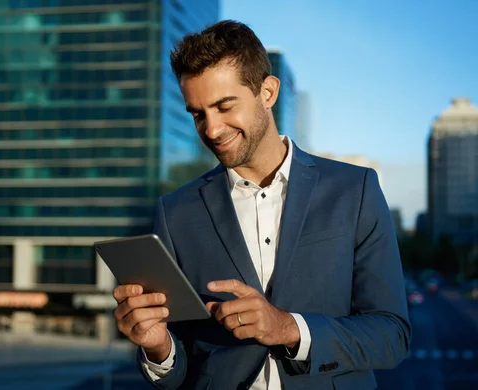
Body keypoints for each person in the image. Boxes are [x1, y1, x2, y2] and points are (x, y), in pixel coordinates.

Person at [112, 20, 411, 390]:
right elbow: (178, 365)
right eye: (198, 114)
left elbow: (392, 335)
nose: (212, 129)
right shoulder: (175, 212)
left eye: (224, 106)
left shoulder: (355, 189)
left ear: (267, 92)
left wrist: (288, 328)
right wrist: (158, 348)